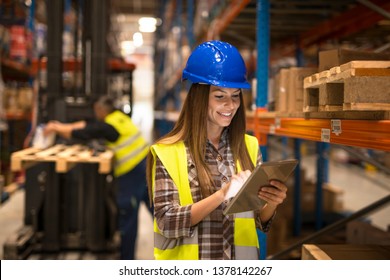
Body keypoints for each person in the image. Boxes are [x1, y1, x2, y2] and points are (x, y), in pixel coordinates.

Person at [146, 40, 288, 260]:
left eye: (235, 96)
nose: (230, 106)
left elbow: (259, 219)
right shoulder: (168, 152)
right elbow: (167, 222)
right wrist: (221, 195)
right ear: (200, 99)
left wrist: (272, 201)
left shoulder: (249, 147)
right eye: (220, 96)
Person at [44, 95, 152, 260]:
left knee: (127, 215)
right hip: (146, 167)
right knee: (157, 209)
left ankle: (126, 261)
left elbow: (84, 131)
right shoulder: (119, 118)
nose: (95, 114)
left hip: (132, 173)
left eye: (96, 111)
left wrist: (57, 129)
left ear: (101, 110)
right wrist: (59, 125)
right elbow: (90, 125)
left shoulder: (109, 127)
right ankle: (180, 243)